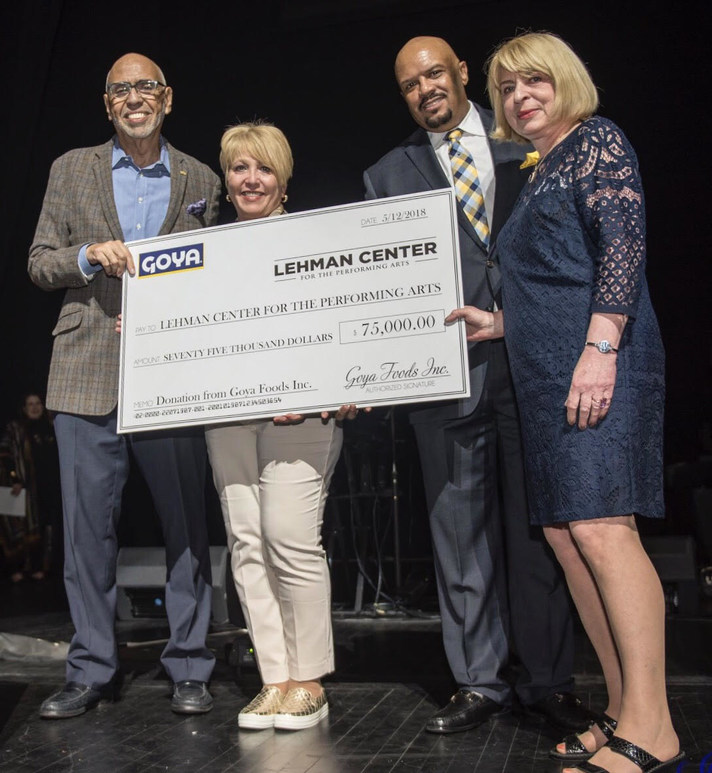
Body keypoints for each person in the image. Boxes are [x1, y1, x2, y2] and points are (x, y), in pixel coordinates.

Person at [447, 31, 683, 773]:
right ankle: (620, 709)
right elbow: (557, 279)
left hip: (600, 363)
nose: (520, 97)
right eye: (508, 89)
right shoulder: (543, 167)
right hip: (547, 372)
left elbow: (621, 247)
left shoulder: (597, 143)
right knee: (566, 536)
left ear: (565, 80)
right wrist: (501, 323)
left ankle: (656, 729)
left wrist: (601, 348)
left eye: (534, 81)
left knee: (605, 530)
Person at [363, 36, 593, 734]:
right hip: (444, 370)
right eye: (410, 83)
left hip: (532, 361)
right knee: (457, 531)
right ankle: (478, 679)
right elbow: (380, 286)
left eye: (435, 72)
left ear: (462, 72)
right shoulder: (384, 175)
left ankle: (549, 678)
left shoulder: (526, 138)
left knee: (541, 526)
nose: (425, 87)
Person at [28, 53, 221, 719]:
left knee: (187, 528)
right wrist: (87, 257)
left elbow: (214, 269)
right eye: (120, 90)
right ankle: (90, 668)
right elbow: (39, 261)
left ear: (166, 97)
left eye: (145, 87)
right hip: (84, 372)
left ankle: (191, 665)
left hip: (171, 374)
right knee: (86, 535)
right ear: (107, 103)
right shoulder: (69, 168)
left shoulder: (201, 176)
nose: (133, 97)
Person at [205, 121, 359, 731]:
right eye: (240, 168)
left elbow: (346, 319)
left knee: (290, 540)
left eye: (263, 168)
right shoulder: (209, 251)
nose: (251, 179)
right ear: (226, 177)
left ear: (284, 179)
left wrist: (343, 383)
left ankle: (310, 679)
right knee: (247, 544)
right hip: (227, 417)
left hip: (301, 417)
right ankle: (274, 677)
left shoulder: (314, 242)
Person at [0, 392, 61, 582]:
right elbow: (4, 454)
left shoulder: (51, 428)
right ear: (24, 408)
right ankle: (17, 568)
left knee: (45, 528)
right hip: (23, 489)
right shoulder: (16, 429)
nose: (35, 407)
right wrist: (15, 478)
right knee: (18, 529)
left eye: (38, 403)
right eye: (30, 404)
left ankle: (40, 567)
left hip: (48, 488)